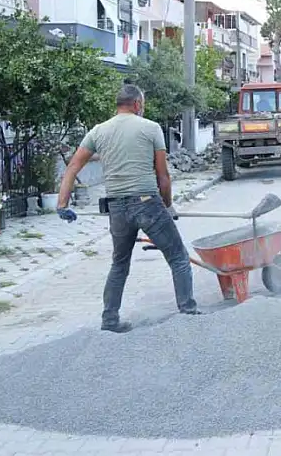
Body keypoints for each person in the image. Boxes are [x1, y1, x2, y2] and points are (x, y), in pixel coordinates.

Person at [56, 84, 200, 333]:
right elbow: (163, 176)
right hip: (147, 203)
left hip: (117, 208)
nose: (142, 108)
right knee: (178, 257)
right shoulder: (151, 128)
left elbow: (72, 167)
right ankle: (188, 311)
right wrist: (167, 206)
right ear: (136, 104)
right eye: (141, 105)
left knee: (119, 264)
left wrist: (61, 204)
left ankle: (110, 320)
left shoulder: (98, 131)